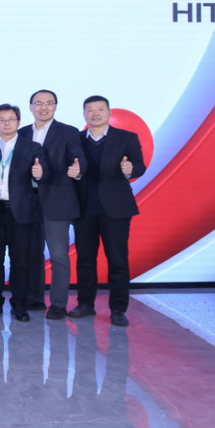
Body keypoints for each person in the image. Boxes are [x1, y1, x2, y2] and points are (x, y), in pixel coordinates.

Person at [71, 96, 146, 327]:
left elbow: (140, 166)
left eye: (100, 109)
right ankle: (85, 304)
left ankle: (118, 309)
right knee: (84, 260)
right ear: (84, 114)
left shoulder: (126, 137)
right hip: (83, 208)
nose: (95, 113)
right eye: (90, 110)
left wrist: (130, 169)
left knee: (117, 260)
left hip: (116, 209)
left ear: (109, 112)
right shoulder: (75, 139)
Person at [23, 89, 86, 320]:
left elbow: (78, 159)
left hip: (57, 200)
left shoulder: (68, 132)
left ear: (55, 107)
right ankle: (35, 297)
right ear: (30, 107)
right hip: (28, 201)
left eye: (49, 103)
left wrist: (78, 170)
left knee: (59, 256)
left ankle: (58, 303)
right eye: (38, 103)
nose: (43, 107)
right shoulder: (21, 132)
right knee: (32, 253)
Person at [0, 104, 48, 321]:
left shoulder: (32, 147)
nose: (6, 123)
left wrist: (40, 173)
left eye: (11, 119)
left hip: (22, 211)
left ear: (19, 122)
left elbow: (45, 172)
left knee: (20, 261)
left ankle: (19, 303)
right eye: (2, 119)